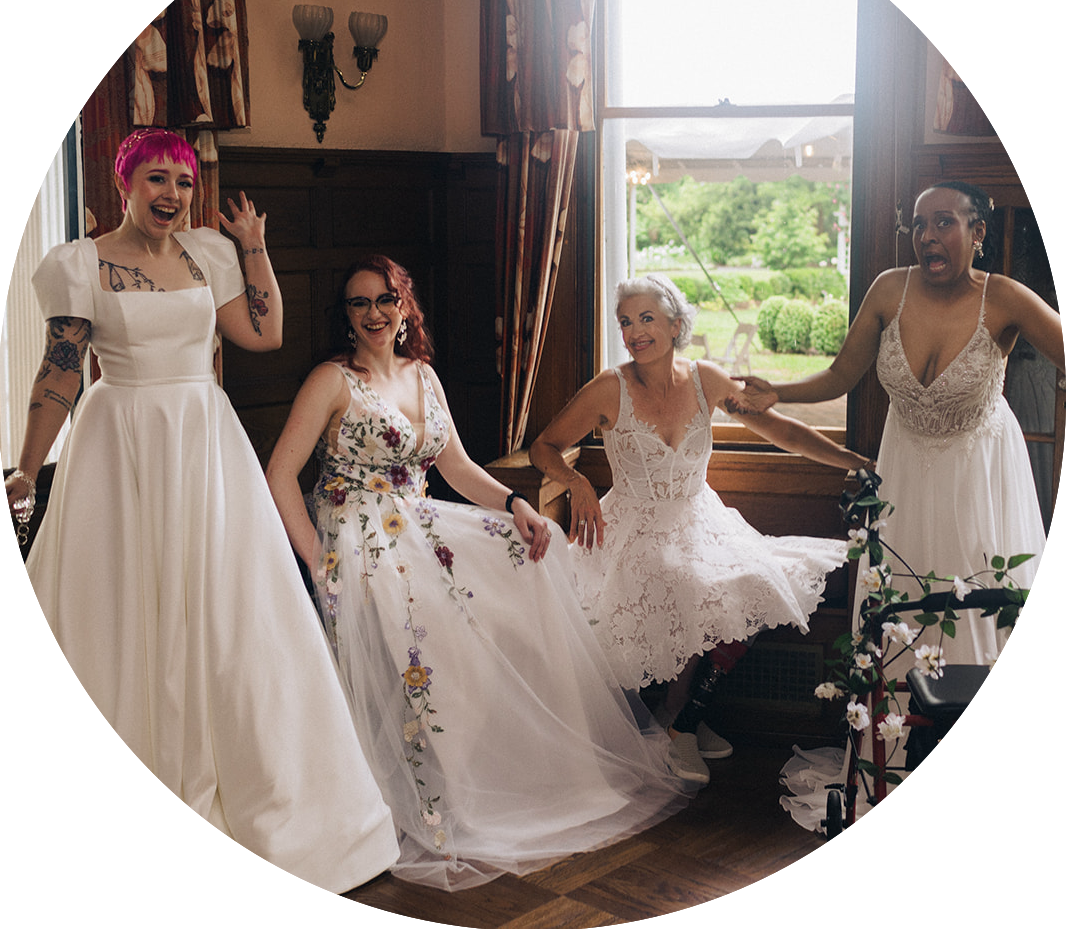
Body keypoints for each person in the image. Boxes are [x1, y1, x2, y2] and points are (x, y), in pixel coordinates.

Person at [6, 129, 398, 893]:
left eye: (182, 184)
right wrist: (26, 467)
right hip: (120, 440)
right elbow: (60, 372)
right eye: (156, 180)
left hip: (204, 441)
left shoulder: (208, 255)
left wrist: (253, 246)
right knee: (125, 606)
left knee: (228, 607)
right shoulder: (78, 265)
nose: (172, 196)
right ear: (126, 183)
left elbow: (264, 332)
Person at [265, 254, 692, 892]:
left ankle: (495, 773)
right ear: (346, 317)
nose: (376, 313)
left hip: (418, 520)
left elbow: (457, 469)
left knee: (528, 555)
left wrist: (517, 504)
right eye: (360, 304)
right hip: (354, 536)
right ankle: (418, 798)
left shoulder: (424, 376)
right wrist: (319, 564)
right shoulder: (331, 380)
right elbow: (280, 476)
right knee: (422, 651)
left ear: (403, 306)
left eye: (386, 299)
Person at [731, 182, 1062, 833]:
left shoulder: (1006, 298)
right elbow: (839, 375)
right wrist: (778, 393)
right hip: (904, 473)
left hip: (978, 480)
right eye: (919, 225)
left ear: (978, 233)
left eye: (945, 222)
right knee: (900, 607)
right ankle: (891, 760)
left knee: (976, 605)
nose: (929, 236)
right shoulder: (889, 288)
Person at [529, 274, 872, 784]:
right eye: (626, 321)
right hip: (635, 528)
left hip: (698, 517)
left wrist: (848, 458)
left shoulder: (704, 379)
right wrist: (576, 482)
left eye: (647, 319)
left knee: (758, 582)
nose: (635, 331)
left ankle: (684, 715)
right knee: (686, 581)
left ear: (674, 324)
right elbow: (544, 446)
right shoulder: (609, 387)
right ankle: (677, 717)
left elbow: (775, 427)